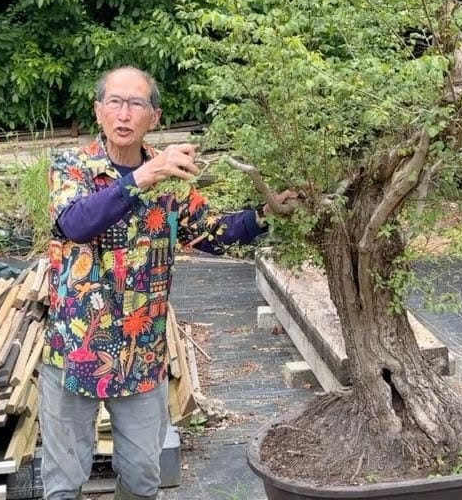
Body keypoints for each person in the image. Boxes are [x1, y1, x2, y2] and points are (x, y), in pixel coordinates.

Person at [39, 66, 293, 500]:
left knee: (143, 475)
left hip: (141, 351)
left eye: (136, 104)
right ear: (98, 110)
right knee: (63, 481)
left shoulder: (170, 179)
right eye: (115, 102)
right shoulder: (72, 167)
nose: (124, 114)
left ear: (154, 117)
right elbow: (77, 224)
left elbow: (213, 233)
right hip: (75, 347)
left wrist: (266, 214)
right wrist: (142, 177)